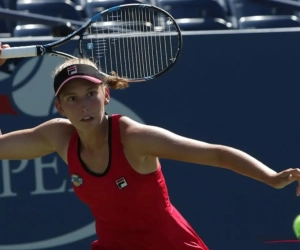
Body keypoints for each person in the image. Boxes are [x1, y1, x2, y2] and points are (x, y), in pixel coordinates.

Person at [0, 42, 300, 250]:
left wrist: (271, 178)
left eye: (91, 93)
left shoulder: (134, 137)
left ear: (106, 95)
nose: (84, 105)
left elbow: (216, 154)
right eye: (72, 99)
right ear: (60, 107)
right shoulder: (58, 137)